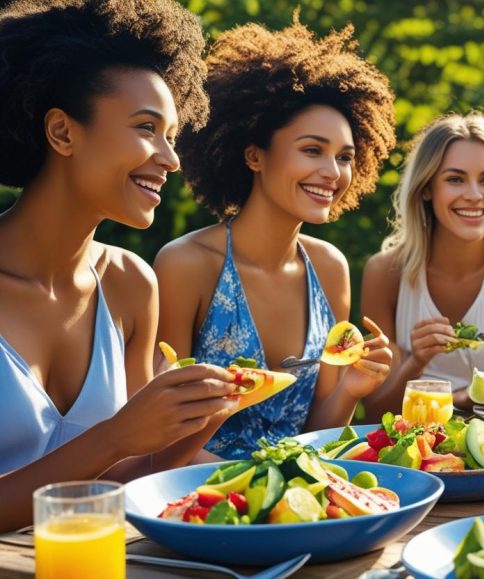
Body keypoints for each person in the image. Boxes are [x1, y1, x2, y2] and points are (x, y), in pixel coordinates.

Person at [0, 0, 240, 530]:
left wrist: (195, 424)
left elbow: (129, 474)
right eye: (146, 128)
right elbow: (114, 444)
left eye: (172, 135)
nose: (171, 158)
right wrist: (115, 435)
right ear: (63, 133)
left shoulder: (131, 284)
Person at [155, 20, 395, 459]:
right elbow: (161, 435)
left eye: (345, 157)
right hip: (200, 498)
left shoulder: (329, 268)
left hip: (298, 496)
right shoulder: (186, 264)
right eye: (312, 150)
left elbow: (316, 434)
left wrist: (351, 389)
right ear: (254, 155)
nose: (333, 172)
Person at [360, 113, 484, 418]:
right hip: (412, 442)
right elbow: (375, 412)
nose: (475, 195)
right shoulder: (384, 272)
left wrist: (457, 399)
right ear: (426, 188)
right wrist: (416, 362)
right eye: (455, 179)